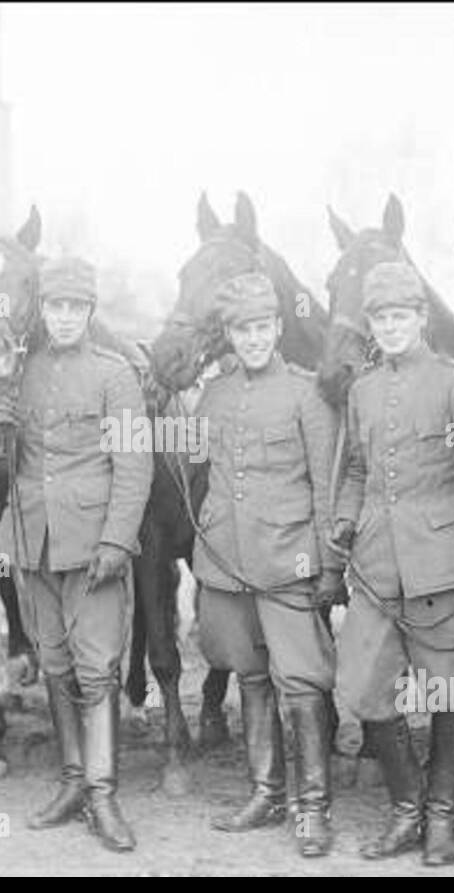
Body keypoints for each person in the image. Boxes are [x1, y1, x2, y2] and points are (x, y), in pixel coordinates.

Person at [329, 261, 454, 866]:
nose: (390, 327)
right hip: (376, 564)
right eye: (380, 318)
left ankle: (441, 817)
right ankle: (407, 808)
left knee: (450, 690)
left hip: (443, 562)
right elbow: (355, 469)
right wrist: (344, 522)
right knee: (363, 685)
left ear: (421, 318)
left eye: (400, 315)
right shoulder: (362, 390)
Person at [0, 256, 152, 853]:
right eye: (54, 307)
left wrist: (115, 540)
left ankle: (103, 793)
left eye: (74, 309)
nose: (63, 318)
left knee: (96, 668)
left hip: (92, 546)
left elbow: (135, 468)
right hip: (34, 544)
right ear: (44, 312)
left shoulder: (116, 376)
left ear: (89, 312)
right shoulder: (18, 372)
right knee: (54, 665)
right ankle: (72, 780)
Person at [190, 272, 343, 858]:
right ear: (229, 335)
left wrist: (329, 567)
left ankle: (313, 807)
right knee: (249, 675)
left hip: (288, 561)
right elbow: (190, 467)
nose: (252, 339)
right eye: (241, 330)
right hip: (226, 562)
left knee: (301, 683)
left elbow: (326, 487)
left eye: (261, 328)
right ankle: (266, 792)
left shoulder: (307, 395)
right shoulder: (216, 394)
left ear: (278, 328)